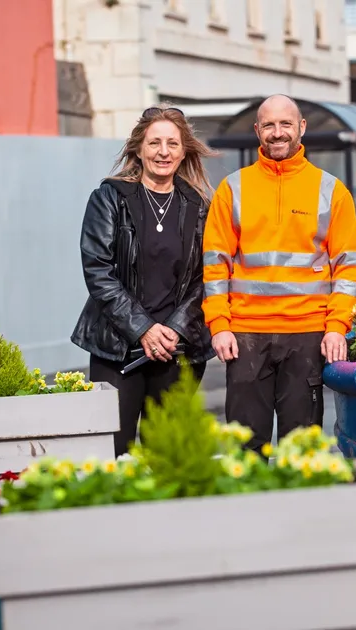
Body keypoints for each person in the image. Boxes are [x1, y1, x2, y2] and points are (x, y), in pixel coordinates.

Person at [202, 94, 356, 452]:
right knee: (245, 446)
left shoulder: (331, 191)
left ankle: (303, 510)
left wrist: (337, 326)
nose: (278, 133)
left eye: (286, 124)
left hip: (306, 333)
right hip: (245, 334)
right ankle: (249, 509)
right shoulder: (233, 189)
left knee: (302, 446)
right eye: (270, 126)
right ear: (257, 130)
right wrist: (220, 326)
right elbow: (215, 265)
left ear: (301, 128)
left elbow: (349, 267)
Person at [71, 105, 218, 456]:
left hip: (177, 349)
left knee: (165, 455)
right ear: (138, 147)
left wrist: (174, 329)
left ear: (184, 151)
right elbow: (98, 270)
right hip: (117, 348)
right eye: (154, 143)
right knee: (115, 452)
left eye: (172, 143)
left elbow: (209, 275)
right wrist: (143, 329)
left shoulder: (199, 206)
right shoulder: (109, 198)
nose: (163, 152)